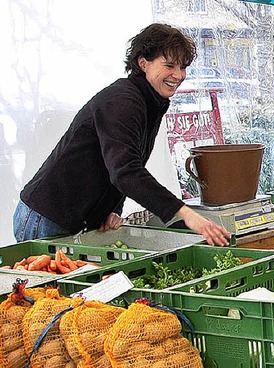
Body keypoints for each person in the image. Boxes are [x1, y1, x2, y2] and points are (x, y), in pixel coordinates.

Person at [13, 23, 230, 247]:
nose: (178, 75)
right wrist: (186, 213)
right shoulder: (123, 101)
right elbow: (126, 172)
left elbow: (117, 161)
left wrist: (111, 209)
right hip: (46, 216)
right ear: (143, 63)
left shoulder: (151, 101)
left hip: (68, 217)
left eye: (183, 67)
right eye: (169, 65)